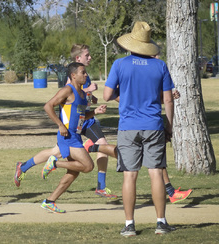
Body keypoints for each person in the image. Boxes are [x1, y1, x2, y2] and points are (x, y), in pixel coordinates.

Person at [103, 21, 175, 236]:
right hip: (153, 125)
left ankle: (129, 225)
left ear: (131, 43)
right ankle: (161, 222)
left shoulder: (119, 64)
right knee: (155, 173)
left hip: (128, 127)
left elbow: (107, 95)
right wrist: (168, 127)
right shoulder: (160, 65)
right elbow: (168, 100)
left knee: (129, 175)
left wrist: (122, 97)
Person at [21, 62, 106, 213]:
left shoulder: (82, 94)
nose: (86, 75)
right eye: (83, 72)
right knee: (88, 166)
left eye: (85, 72)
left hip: (76, 136)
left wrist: (95, 112)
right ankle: (54, 164)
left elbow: (81, 116)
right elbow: (48, 106)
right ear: (73, 75)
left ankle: (50, 201)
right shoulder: (68, 90)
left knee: (74, 172)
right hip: (67, 136)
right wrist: (60, 125)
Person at [66, 44, 117, 199]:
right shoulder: (73, 76)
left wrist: (91, 97)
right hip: (76, 121)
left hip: (87, 119)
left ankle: (101, 187)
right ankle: (27, 166)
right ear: (78, 58)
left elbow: (86, 100)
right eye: (87, 55)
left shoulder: (85, 76)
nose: (90, 58)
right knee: (59, 153)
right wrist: (88, 91)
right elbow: (69, 96)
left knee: (103, 145)